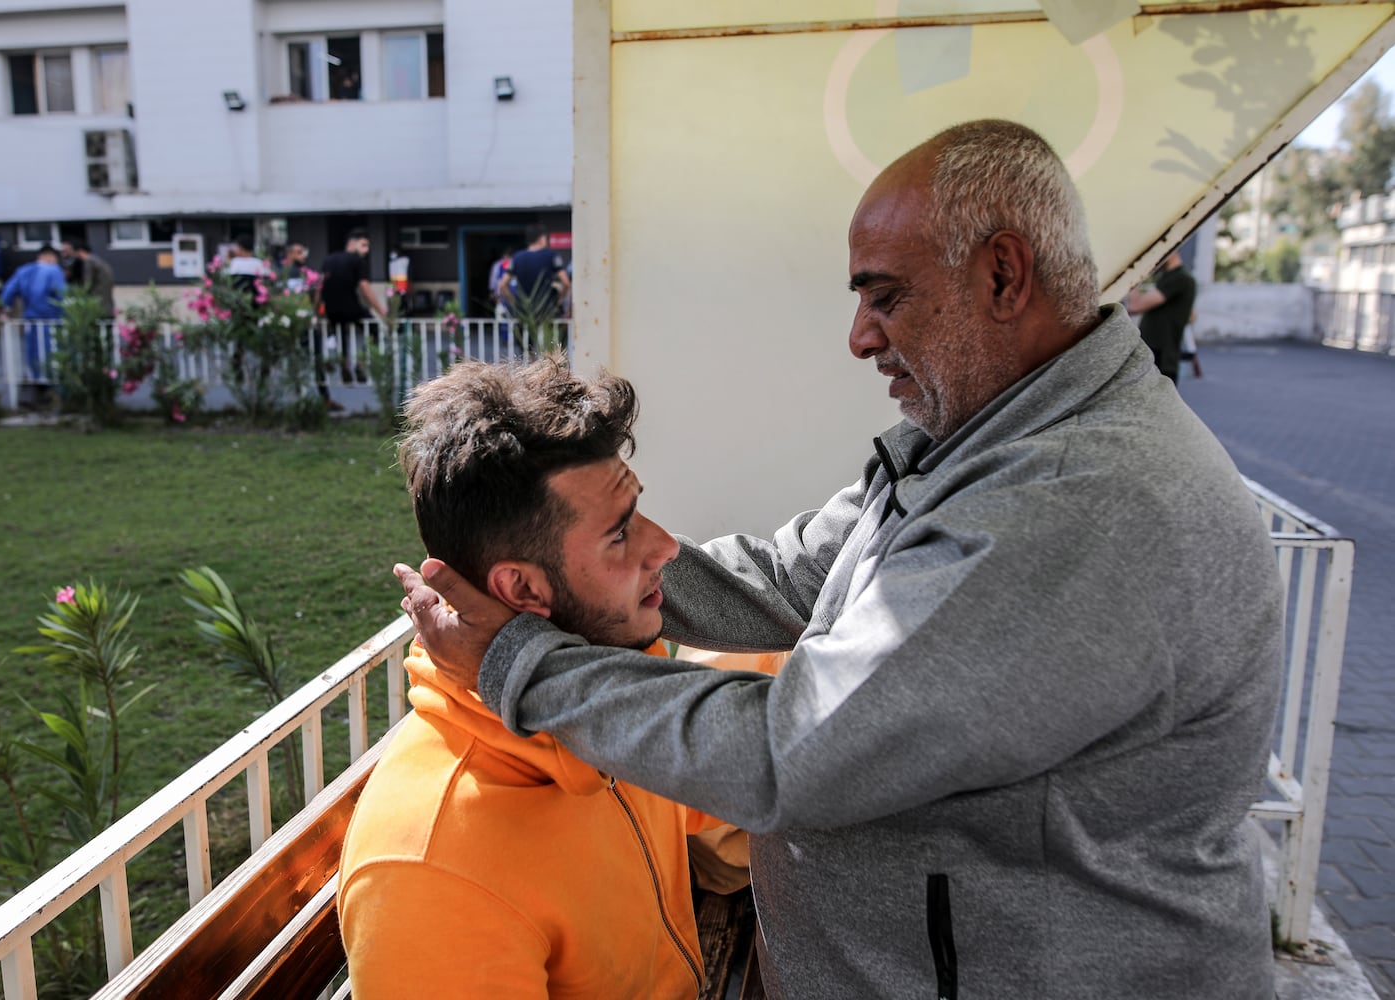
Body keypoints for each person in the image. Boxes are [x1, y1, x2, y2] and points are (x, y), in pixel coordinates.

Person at [397, 119, 1284, 1000]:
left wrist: (517, 658)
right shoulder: (990, 438)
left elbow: (791, 755)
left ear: (1003, 276)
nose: (860, 336)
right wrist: (630, 578)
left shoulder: (1069, 499)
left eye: (885, 296)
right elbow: (792, 573)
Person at [339, 357, 736, 998]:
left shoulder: (612, 692)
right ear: (521, 588)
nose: (666, 546)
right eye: (619, 533)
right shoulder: (433, 868)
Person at [317, 228, 386, 385]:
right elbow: (365, 288)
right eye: (363, 245)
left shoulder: (329, 259)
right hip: (351, 307)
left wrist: (317, 310)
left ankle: (344, 365)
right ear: (353, 244)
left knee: (341, 336)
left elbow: (319, 287)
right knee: (373, 329)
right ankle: (360, 364)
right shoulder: (357, 261)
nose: (366, 250)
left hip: (331, 309)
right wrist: (381, 311)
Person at [1125, 247, 1198, 383]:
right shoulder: (1167, 277)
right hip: (1156, 355)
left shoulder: (1180, 278)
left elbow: (1135, 306)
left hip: (1162, 357)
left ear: (1171, 251)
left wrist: (1132, 277)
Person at [0, 244, 68, 383]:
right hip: (51, 318)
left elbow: (8, 292)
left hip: (30, 318)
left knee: (33, 351)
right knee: (52, 350)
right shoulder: (54, 271)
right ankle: (52, 381)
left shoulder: (23, 270)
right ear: (51, 257)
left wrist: (6, 309)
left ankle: (36, 379)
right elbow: (62, 295)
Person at [500, 224, 570, 326]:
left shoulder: (516, 257)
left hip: (524, 313)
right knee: (550, 341)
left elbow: (502, 285)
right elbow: (566, 283)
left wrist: (515, 304)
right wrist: (558, 302)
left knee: (525, 341)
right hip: (546, 312)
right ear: (542, 238)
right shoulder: (550, 255)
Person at [60, 240, 115, 317]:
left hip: (99, 302)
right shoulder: (96, 260)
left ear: (79, 251)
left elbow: (87, 284)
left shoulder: (89, 262)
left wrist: (79, 294)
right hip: (106, 300)